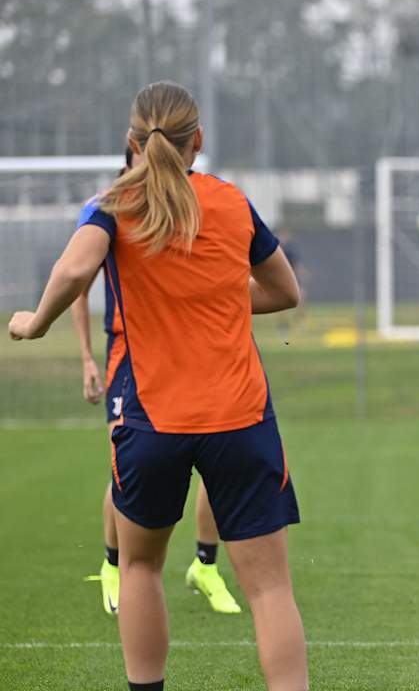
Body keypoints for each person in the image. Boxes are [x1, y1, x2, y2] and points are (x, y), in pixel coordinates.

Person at [8, 81, 307, 691]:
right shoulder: (230, 201)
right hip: (240, 419)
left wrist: (34, 323)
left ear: (132, 142)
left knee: (140, 567)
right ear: (198, 140)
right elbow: (284, 292)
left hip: (150, 422)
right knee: (271, 587)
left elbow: (73, 267)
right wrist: (220, 297)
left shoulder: (114, 203)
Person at [74, 148, 241, 617]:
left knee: (219, 462)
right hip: (129, 362)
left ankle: (205, 566)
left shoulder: (191, 209)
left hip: (196, 360)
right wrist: (87, 357)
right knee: (128, 468)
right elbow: (76, 284)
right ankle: (115, 565)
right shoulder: (109, 211)